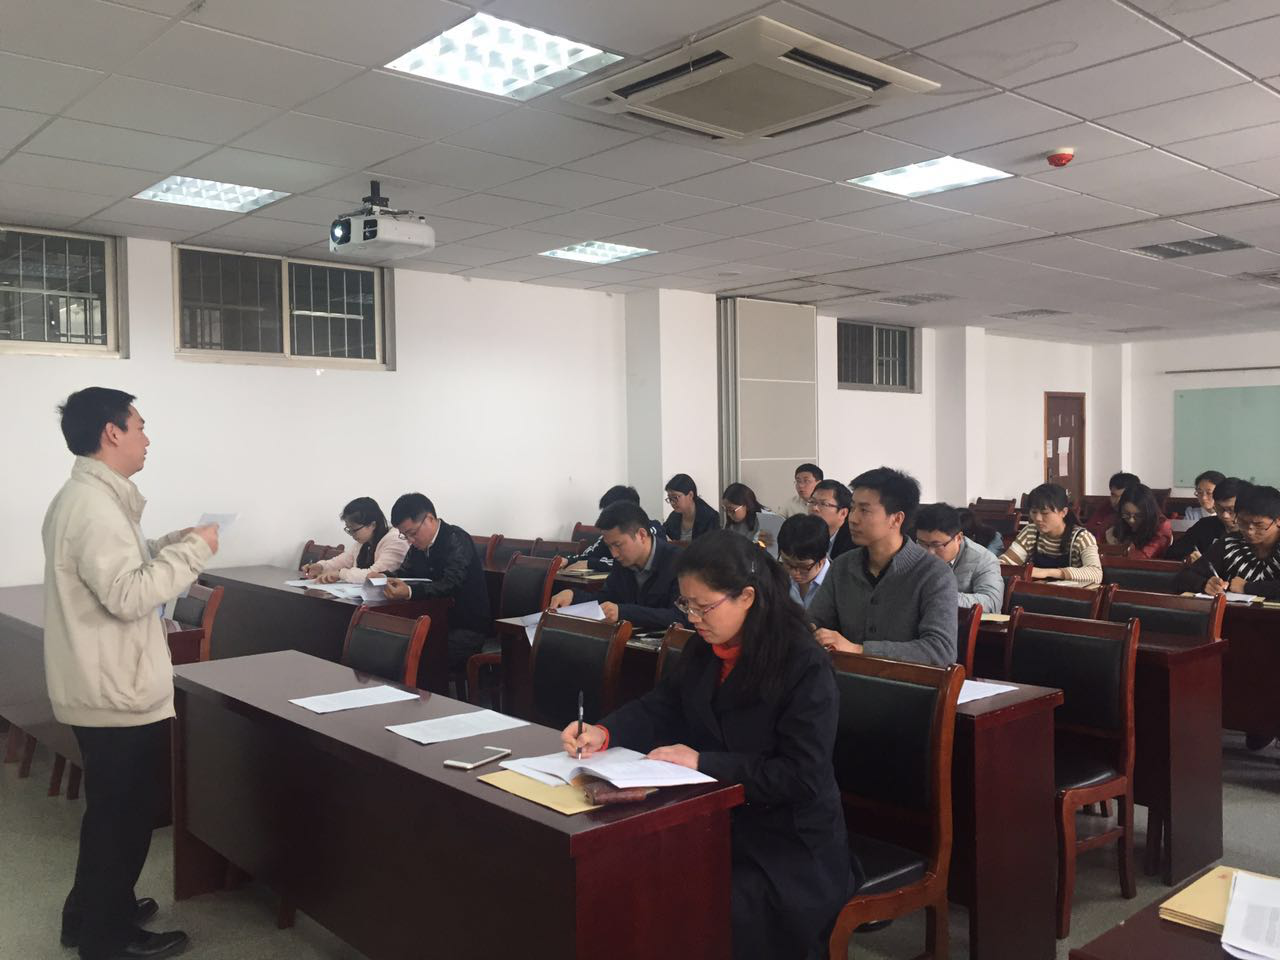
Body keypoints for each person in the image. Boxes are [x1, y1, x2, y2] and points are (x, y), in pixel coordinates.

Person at [561, 531, 855, 960]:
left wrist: (703, 762)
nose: (693, 617)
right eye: (686, 604)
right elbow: (662, 704)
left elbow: (800, 775)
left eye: (704, 606)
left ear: (747, 597)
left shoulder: (803, 663)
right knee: (628, 875)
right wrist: (604, 733)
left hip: (786, 843)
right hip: (715, 819)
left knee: (707, 906)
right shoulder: (706, 646)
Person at [43, 387, 220, 960]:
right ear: (112, 432)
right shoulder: (93, 506)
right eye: (140, 426)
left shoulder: (90, 498)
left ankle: (91, 914)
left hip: (103, 682)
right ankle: (106, 938)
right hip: (113, 689)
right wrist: (192, 554)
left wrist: (173, 543)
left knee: (110, 814)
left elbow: (126, 562)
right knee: (122, 819)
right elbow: (128, 595)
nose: (147, 438)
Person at [808, 468, 958, 666]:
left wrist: (859, 650)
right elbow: (816, 621)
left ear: (896, 519)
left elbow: (941, 650)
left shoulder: (934, 574)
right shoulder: (842, 566)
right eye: (852, 508)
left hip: (906, 683)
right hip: (844, 678)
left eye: (864, 510)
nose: (852, 518)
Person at [1174, 484, 1280, 752]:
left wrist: (1248, 587)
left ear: (1278, 521)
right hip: (1235, 630)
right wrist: (1205, 583)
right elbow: (1183, 578)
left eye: (1259, 525)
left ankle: (1265, 722)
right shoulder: (1229, 543)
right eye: (1243, 523)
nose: (1249, 531)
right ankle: (1252, 720)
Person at [382, 493, 490, 671]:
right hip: (432, 623)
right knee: (390, 647)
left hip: (464, 627)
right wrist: (383, 577)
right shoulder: (417, 546)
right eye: (404, 535)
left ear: (430, 519)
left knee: (414, 658)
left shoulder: (456, 539)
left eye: (412, 533)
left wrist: (410, 592)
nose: (410, 540)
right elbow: (403, 574)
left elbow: (450, 584)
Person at [549, 501, 683, 631]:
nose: (614, 554)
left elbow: (680, 616)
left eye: (618, 545)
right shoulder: (623, 562)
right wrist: (573, 595)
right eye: (609, 547)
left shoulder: (679, 562)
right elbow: (605, 598)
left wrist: (623, 612)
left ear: (641, 535)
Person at [1001, 483, 1102, 585]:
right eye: (1034, 512)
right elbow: (1004, 563)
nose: (1038, 518)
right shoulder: (1030, 532)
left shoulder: (1081, 538)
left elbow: (1096, 574)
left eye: (1045, 513)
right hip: (1036, 591)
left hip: (1070, 593)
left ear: (1063, 512)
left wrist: (1048, 572)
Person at [915, 503, 1004, 615]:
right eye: (922, 543)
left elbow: (991, 602)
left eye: (936, 545)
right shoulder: (914, 552)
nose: (929, 552)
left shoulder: (984, 559)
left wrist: (941, 596)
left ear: (958, 538)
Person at [301, 497, 407, 583]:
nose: (352, 535)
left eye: (354, 530)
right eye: (349, 530)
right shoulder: (363, 542)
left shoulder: (395, 540)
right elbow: (341, 561)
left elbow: (375, 574)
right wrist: (321, 567)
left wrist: (341, 574)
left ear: (372, 525)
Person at [563, 485, 666, 572]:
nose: (614, 553)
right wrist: (567, 561)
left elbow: (634, 563)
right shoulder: (611, 535)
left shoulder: (652, 530)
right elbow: (587, 556)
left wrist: (592, 564)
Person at [1167, 477, 1246, 563]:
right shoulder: (1205, 525)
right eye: (1220, 509)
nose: (1225, 515)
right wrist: (1188, 558)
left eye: (1231, 510)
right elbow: (1172, 553)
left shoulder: (1253, 532)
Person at [776, 513, 832, 612]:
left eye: (803, 567)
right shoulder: (779, 577)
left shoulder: (836, 584)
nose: (794, 573)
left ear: (822, 559)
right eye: (787, 563)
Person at [1105, 484, 1173, 559]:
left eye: (1138, 515)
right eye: (1126, 514)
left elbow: (1142, 557)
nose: (1131, 520)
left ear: (1148, 513)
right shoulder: (1117, 520)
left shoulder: (1162, 525)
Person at [721, 482, 784, 558]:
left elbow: (773, 552)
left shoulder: (768, 521)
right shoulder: (732, 523)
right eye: (725, 509)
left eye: (732, 510)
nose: (728, 514)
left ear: (746, 505)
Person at [663, 473, 720, 542]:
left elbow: (712, 546)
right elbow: (663, 532)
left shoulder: (710, 517)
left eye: (675, 497)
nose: (672, 502)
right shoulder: (674, 516)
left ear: (690, 495)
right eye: (670, 498)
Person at [1085, 471, 1141, 537]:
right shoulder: (1106, 506)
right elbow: (1089, 530)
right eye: (1114, 495)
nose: (1117, 501)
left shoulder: (1141, 511)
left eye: (1123, 496)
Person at [808, 479, 854, 560]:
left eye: (823, 504)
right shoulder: (803, 532)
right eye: (812, 502)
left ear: (843, 513)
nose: (815, 508)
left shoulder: (853, 543)